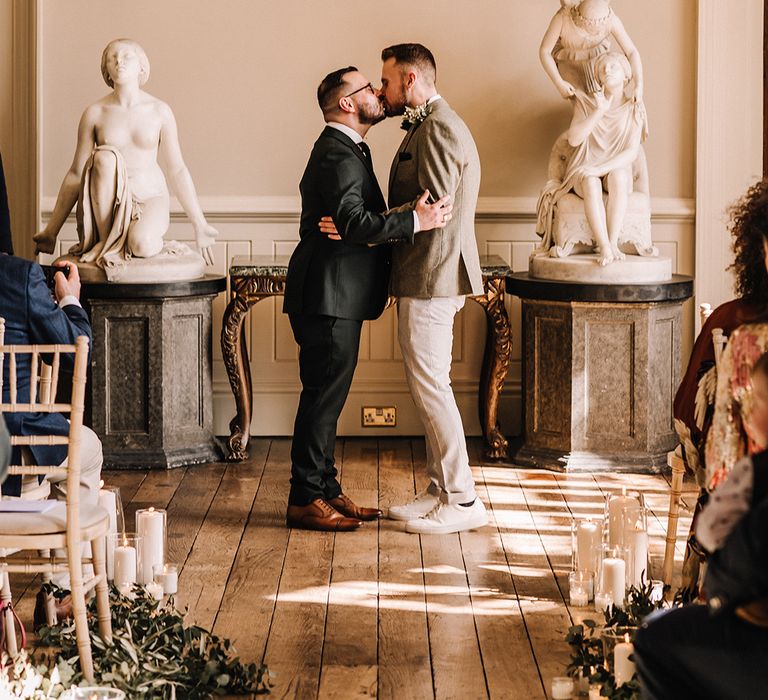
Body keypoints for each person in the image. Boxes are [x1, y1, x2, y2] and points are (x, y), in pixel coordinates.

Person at [283, 66, 452, 532]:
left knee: (327, 398)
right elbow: (354, 222)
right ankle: (303, 498)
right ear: (346, 103)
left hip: (335, 294)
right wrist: (415, 221)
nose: (378, 92)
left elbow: (353, 221)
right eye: (367, 88)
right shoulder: (336, 153)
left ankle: (326, 489)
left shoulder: (347, 148)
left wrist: (359, 226)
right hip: (327, 295)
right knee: (322, 399)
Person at [377, 43, 488, 535]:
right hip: (426, 275)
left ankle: (462, 499)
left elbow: (434, 214)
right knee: (427, 385)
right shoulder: (429, 125)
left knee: (432, 386)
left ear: (412, 80)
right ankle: (440, 488)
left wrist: (372, 224)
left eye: (386, 82)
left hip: (433, 275)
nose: (382, 91)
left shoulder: (439, 128)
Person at [634, 354, 768, 700]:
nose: (750, 407)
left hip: (752, 639)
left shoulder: (753, 473)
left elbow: (708, 533)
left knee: (654, 637)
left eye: (760, 399)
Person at [33, 38, 218, 276]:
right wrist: (51, 230)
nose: (119, 61)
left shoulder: (159, 111)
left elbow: (177, 169)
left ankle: (152, 243)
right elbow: (77, 173)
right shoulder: (95, 113)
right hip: (107, 208)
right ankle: (104, 241)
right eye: (112, 57)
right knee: (105, 157)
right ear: (105, 69)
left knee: (142, 244)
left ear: (142, 66)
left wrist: (199, 224)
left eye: (127, 56)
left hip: (150, 196)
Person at [0, 253, 103, 623]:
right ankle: (61, 589)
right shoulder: (18, 277)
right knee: (87, 451)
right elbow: (77, 351)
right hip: (12, 460)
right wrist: (69, 298)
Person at [536, 51, 648, 265]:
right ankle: (604, 246)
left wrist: (601, 169)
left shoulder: (634, 108)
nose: (607, 70)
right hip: (584, 168)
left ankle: (613, 242)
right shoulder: (586, 103)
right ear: (597, 77)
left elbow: (631, 153)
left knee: (619, 176)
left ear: (626, 74)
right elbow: (574, 139)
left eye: (613, 66)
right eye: (603, 67)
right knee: (590, 182)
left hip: (612, 168)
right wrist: (599, 111)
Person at [539, 0, 644, 100]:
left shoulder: (610, 20)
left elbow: (631, 51)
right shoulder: (563, 18)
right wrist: (559, 83)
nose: (593, 35)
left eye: (597, 33)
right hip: (571, 63)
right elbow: (545, 51)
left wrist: (639, 84)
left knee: (602, 100)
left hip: (597, 62)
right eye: (589, 31)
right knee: (581, 103)